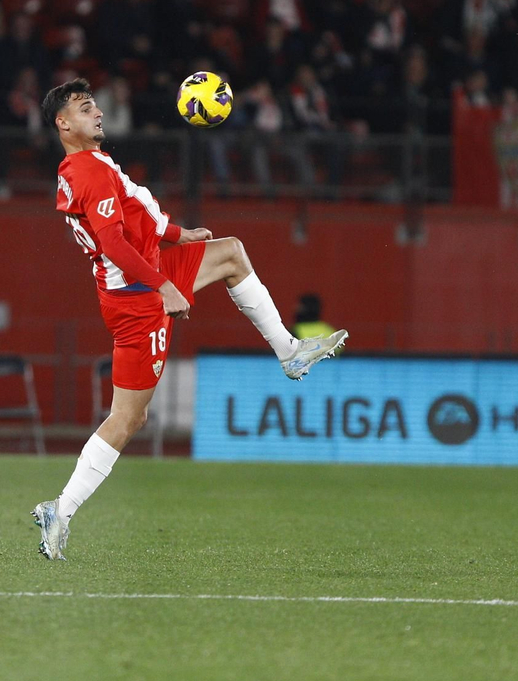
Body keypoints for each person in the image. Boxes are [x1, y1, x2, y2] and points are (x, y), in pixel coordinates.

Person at [30, 79, 349, 560]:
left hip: (148, 269)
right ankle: (61, 508)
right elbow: (114, 244)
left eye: (94, 103)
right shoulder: (88, 172)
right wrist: (164, 287)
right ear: (63, 123)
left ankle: (290, 351)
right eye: (84, 107)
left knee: (230, 253)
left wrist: (178, 235)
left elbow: (136, 215)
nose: (97, 112)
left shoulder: (87, 166)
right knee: (128, 418)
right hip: (138, 296)